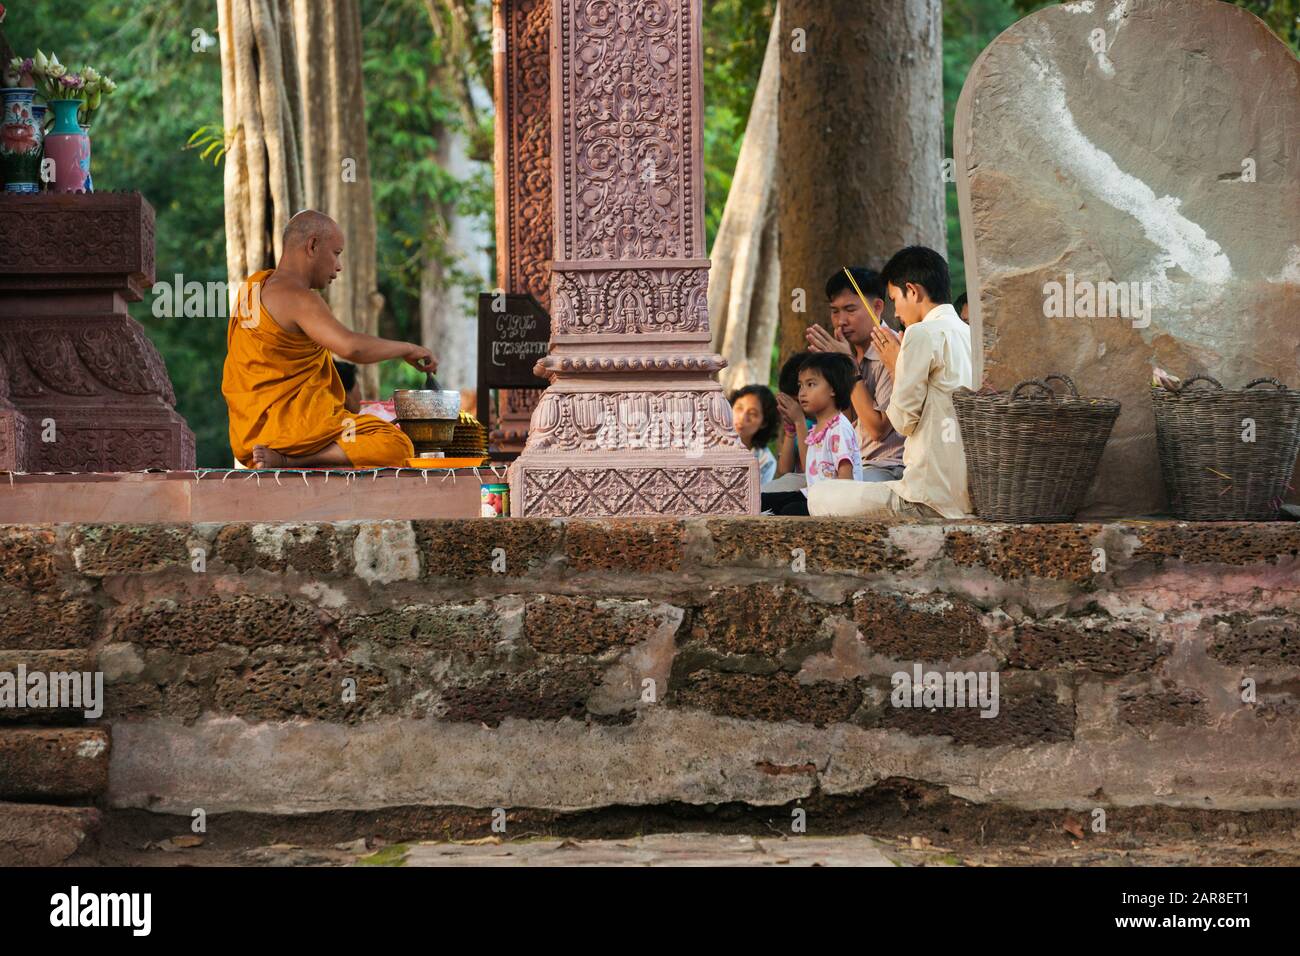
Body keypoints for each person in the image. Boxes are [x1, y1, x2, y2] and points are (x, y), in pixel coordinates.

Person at [222, 210, 436, 469]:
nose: (338, 266)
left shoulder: (254, 289)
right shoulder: (298, 296)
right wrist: (408, 348)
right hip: (296, 432)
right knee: (395, 443)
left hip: (251, 436)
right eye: (336, 253)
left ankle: (287, 457)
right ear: (312, 245)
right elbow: (351, 347)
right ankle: (292, 460)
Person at [808, 245, 973, 520]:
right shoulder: (968, 334)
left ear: (913, 291)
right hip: (962, 495)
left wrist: (896, 365)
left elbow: (903, 422)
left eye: (895, 299)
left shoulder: (919, 334)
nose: (896, 313)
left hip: (923, 497)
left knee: (818, 496)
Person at [806, 267, 906, 482]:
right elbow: (848, 420)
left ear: (877, 307)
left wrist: (849, 368)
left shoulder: (892, 351)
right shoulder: (849, 354)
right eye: (835, 311)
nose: (841, 320)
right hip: (850, 464)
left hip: (887, 468)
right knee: (778, 491)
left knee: (813, 499)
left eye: (850, 309)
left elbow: (877, 428)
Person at [761, 353, 862, 516]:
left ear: (833, 389)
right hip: (814, 495)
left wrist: (843, 513)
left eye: (811, 384)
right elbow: (811, 468)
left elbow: (846, 474)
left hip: (835, 501)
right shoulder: (816, 428)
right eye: (801, 385)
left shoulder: (840, 427)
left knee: (789, 511)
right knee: (762, 501)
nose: (802, 392)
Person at [773, 350, 812, 479]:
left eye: (796, 402)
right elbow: (784, 470)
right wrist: (790, 432)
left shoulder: (827, 424)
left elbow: (810, 468)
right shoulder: (798, 422)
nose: (793, 408)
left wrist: (799, 421)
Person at [730, 385, 779, 485]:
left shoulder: (765, 461)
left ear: (764, 422)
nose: (742, 417)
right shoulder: (709, 441)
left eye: (752, 413)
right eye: (739, 408)